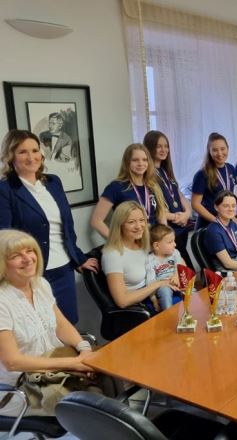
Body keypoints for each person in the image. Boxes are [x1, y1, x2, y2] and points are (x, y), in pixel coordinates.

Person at [0, 130, 98, 324]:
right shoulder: (5, 190)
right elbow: (5, 237)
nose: (31, 157)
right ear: (11, 156)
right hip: (30, 273)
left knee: (68, 324)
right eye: (22, 152)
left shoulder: (53, 182)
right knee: (40, 329)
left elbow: (66, 226)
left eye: (35, 150)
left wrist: (79, 257)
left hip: (63, 269)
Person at [0, 230, 94, 416]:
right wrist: (74, 363)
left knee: (106, 380)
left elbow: (61, 325)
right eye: (16, 256)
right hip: (21, 389)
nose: (27, 259)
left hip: (55, 370)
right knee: (93, 407)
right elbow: (12, 362)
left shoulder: (40, 284)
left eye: (30, 251)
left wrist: (84, 349)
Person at [102, 201, 178, 311]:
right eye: (131, 222)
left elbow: (176, 257)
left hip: (162, 289)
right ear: (120, 225)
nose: (139, 226)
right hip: (140, 305)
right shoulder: (112, 255)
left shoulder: (144, 243)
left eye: (142, 220)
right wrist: (158, 284)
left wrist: (176, 274)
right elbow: (122, 301)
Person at [90, 144, 167, 238]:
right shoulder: (116, 187)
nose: (140, 163)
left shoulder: (153, 186)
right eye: (135, 160)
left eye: (144, 160)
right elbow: (96, 221)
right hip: (131, 242)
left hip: (153, 241)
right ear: (127, 162)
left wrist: (165, 237)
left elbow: (161, 215)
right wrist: (117, 242)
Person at [143, 130, 193, 267]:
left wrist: (187, 213)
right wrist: (176, 217)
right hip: (167, 230)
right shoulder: (147, 175)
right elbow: (153, 207)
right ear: (150, 147)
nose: (163, 149)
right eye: (159, 146)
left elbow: (179, 195)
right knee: (186, 271)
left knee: (183, 270)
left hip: (181, 228)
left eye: (166, 146)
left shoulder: (166, 170)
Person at [191, 133, 237, 229]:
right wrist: (216, 220)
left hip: (226, 221)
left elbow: (229, 197)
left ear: (228, 148)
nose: (220, 153)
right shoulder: (202, 174)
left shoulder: (231, 168)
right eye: (215, 150)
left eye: (222, 149)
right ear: (209, 151)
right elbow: (195, 204)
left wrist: (232, 217)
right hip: (208, 224)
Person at [204, 191, 237, 269]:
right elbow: (227, 263)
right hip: (228, 270)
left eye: (234, 206)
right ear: (216, 207)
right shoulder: (213, 231)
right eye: (226, 206)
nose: (231, 209)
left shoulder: (233, 225)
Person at [146, 224, 183, 311]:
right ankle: (169, 314)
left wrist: (176, 276)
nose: (175, 244)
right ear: (157, 246)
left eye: (174, 241)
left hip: (177, 280)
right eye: (170, 242)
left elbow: (180, 267)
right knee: (164, 292)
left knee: (191, 289)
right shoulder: (150, 260)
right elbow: (150, 282)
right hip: (163, 285)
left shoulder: (175, 253)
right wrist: (154, 300)